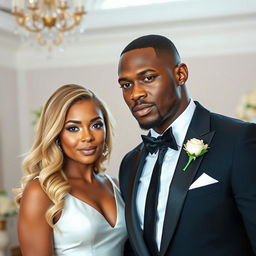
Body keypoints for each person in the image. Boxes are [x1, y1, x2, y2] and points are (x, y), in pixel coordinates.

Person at [117, 34, 256, 256]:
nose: (135, 94)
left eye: (148, 78)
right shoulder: (129, 164)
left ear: (180, 74)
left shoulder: (238, 140)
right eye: (126, 84)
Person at [15, 84, 127, 256]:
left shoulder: (116, 185)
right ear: (57, 135)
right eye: (73, 128)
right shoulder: (41, 192)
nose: (87, 137)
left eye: (96, 125)